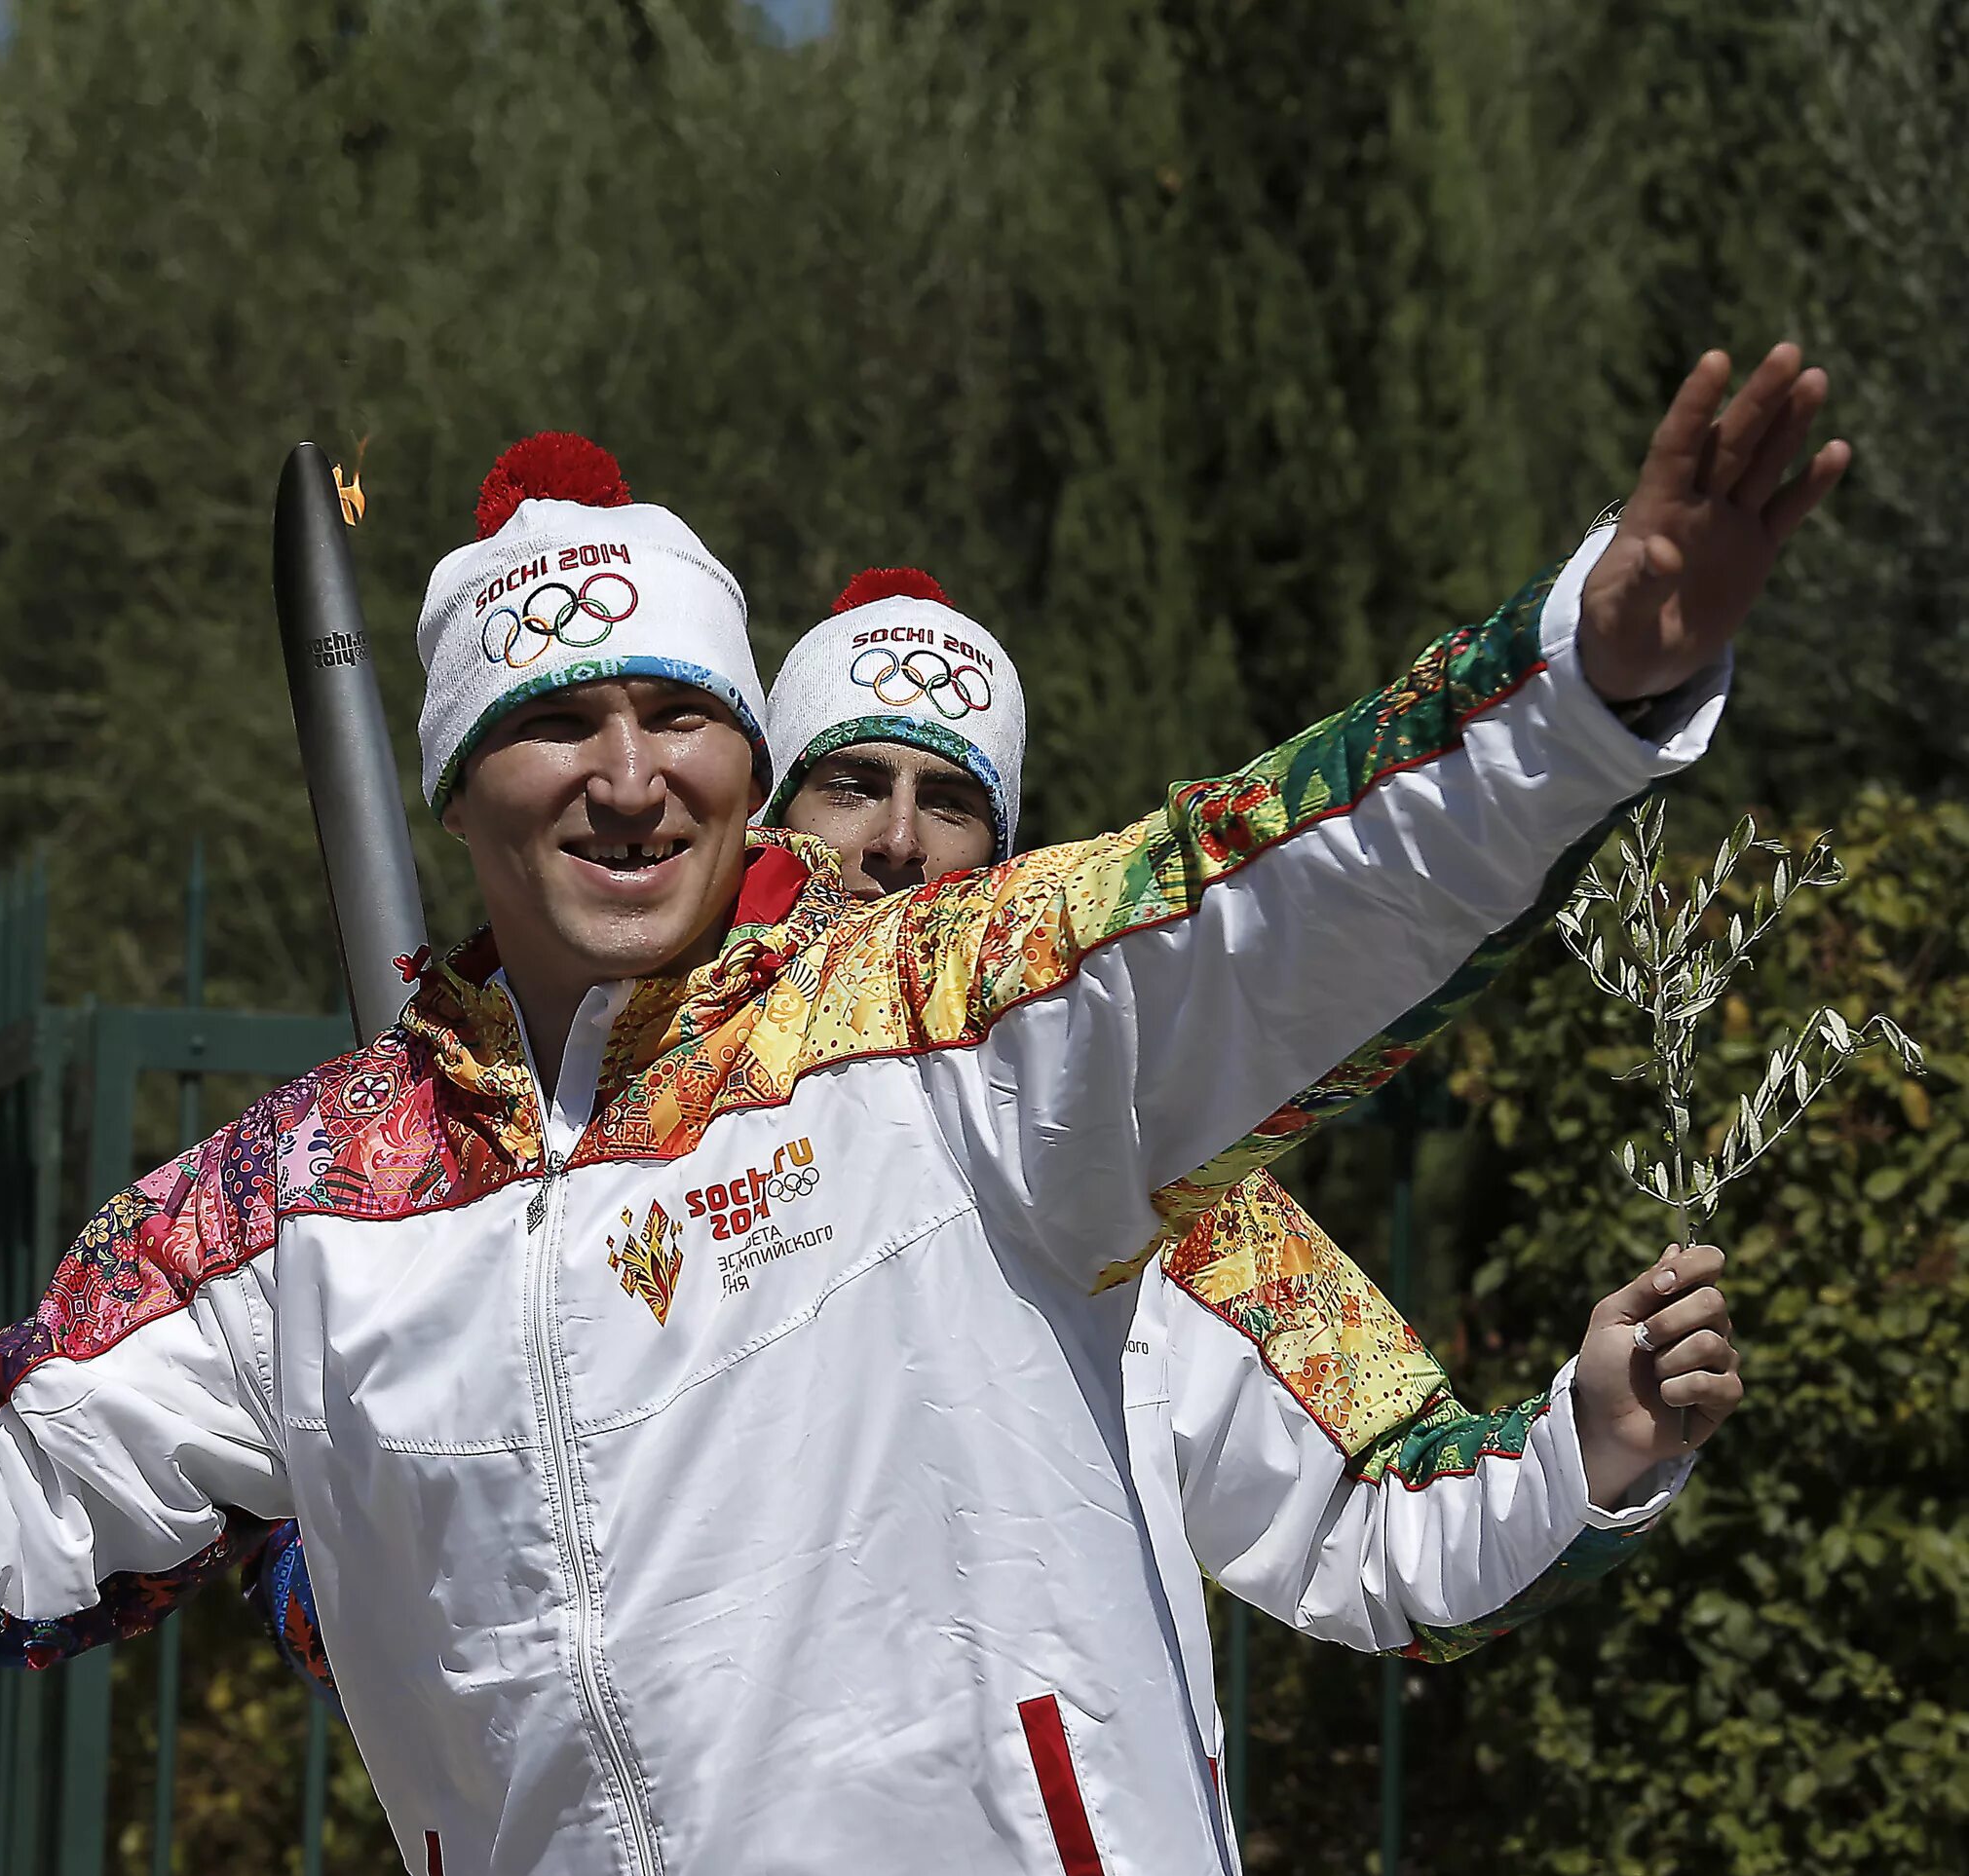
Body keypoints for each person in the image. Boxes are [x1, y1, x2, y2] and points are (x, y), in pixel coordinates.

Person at [0, 349, 1838, 1876]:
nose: (625, 771)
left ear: (732, 756)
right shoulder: (300, 1200)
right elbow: (10, 1498)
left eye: (676, 713)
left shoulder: (934, 1029)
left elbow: (1272, 879)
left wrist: (1593, 680)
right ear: (461, 786)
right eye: (551, 722)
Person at [242, 566, 1749, 1775]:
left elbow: (1385, 1529)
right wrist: (363, 1558)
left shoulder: (1164, 1194)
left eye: (948, 800)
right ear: (762, 811)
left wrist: (1585, 1450)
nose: (897, 842)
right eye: (851, 784)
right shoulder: (524, 1180)